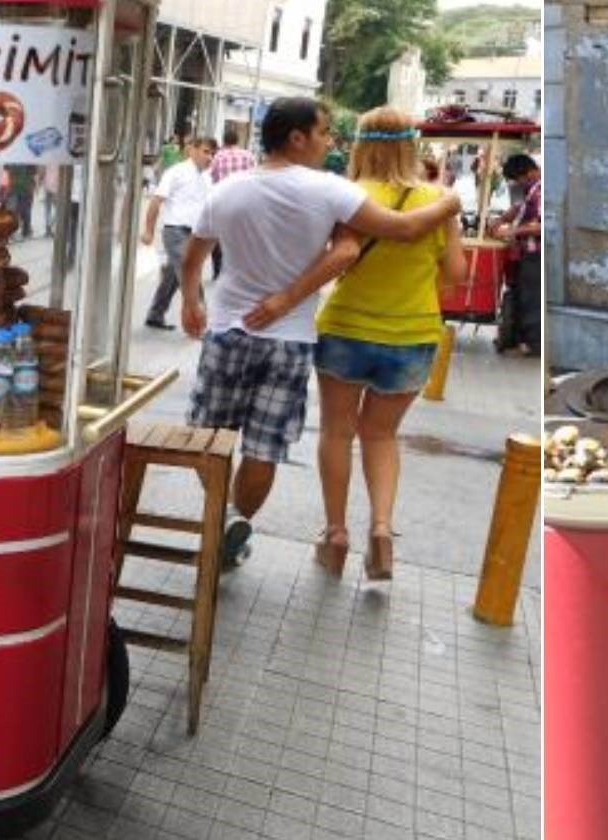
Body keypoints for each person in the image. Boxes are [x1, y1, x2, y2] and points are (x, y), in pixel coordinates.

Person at [179, 97, 461, 569]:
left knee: (215, 437)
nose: (331, 142)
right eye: (325, 133)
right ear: (298, 137)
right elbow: (400, 235)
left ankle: (249, 521)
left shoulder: (227, 190)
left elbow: (192, 256)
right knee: (266, 447)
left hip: (234, 329)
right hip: (295, 339)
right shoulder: (331, 191)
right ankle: (254, 520)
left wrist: (191, 299)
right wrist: (451, 201)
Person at [142, 136, 217, 329]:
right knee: (189, 274)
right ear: (193, 150)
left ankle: (155, 314)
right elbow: (156, 201)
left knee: (172, 276)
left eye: (212, 153)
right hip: (175, 231)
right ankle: (201, 324)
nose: (209, 157)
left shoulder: (207, 177)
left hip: (195, 235)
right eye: (205, 151)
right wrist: (148, 231)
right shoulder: (176, 172)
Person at [492, 153, 542, 356]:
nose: (518, 184)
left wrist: (512, 231)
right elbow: (520, 208)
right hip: (525, 252)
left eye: (519, 179)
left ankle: (534, 344)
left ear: (529, 172)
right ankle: (521, 337)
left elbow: (541, 226)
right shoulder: (532, 189)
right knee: (523, 295)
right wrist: (500, 220)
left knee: (532, 298)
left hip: (535, 253)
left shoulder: (540, 190)